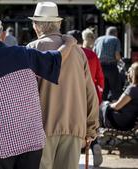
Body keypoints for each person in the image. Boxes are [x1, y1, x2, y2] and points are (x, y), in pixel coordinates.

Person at [0, 18, 76, 169]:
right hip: (31, 139)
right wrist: (69, 43)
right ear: (2, 36)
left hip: (0, 144)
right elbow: (55, 58)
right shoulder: (23, 53)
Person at [27, 2, 99, 169]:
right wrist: (91, 128)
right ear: (58, 23)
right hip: (74, 126)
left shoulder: (32, 48)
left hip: (42, 127)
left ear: (36, 25)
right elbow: (90, 92)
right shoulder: (78, 52)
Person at [67, 29, 105, 167]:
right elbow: (100, 77)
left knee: (75, 126)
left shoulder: (68, 54)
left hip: (74, 95)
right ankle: (94, 144)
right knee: (90, 124)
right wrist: (99, 95)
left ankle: (74, 156)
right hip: (91, 94)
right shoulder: (92, 54)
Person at [100, 62, 138, 131]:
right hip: (130, 123)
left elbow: (117, 106)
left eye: (130, 71)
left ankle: (91, 137)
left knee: (100, 108)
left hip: (120, 122)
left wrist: (106, 105)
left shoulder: (132, 89)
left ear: (134, 74)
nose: (128, 73)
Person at [94, 26, 122, 101]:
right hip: (111, 66)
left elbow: (94, 53)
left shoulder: (98, 39)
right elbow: (117, 55)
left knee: (103, 89)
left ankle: (102, 108)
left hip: (100, 67)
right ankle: (114, 108)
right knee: (115, 89)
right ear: (115, 33)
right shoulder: (115, 40)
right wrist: (120, 62)